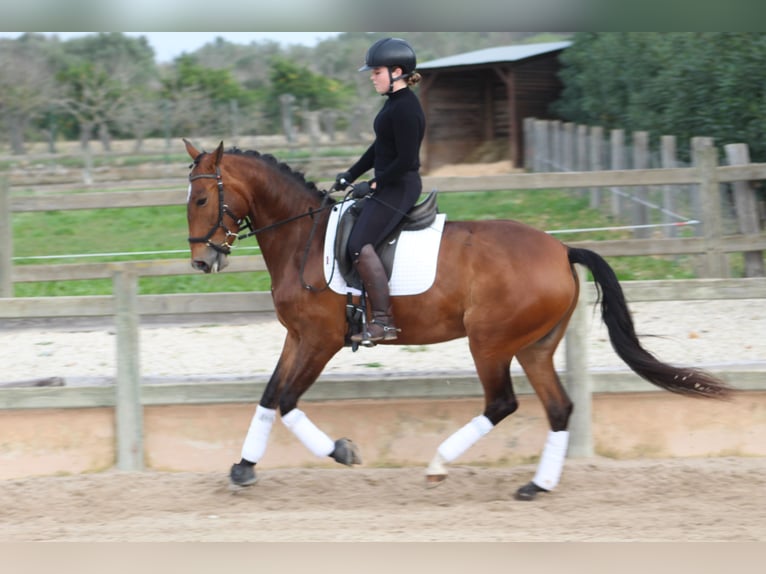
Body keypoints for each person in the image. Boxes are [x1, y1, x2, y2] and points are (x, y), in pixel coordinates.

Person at [335, 37, 426, 345]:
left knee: (359, 244)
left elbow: (406, 160)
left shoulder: (406, 109)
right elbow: (380, 149)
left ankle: (383, 322)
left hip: (400, 187)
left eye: (376, 72)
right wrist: (351, 174)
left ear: (397, 71)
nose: (372, 77)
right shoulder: (393, 106)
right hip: (390, 183)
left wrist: (374, 184)